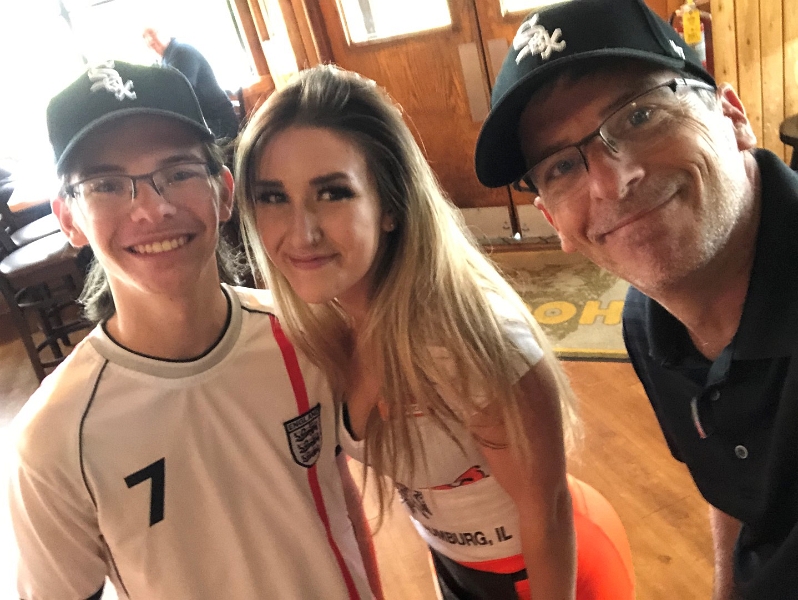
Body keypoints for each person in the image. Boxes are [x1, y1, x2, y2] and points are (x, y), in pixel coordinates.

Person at [234, 64, 635, 600]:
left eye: (332, 192)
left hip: (556, 572)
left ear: (391, 206)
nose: (300, 231)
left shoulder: (470, 340)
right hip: (459, 570)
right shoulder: (324, 327)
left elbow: (548, 513)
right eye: (272, 197)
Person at [7, 60, 381, 599]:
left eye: (179, 172)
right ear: (69, 218)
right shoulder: (54, 439)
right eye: (106, 185)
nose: (151, 209)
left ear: (224, 192)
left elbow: (339, 497)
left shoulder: (307, 334)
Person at [474, 0, 798, 598]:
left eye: (640, 116)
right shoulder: (649, 325)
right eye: (561, 167)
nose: (611, 181)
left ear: (732, 117)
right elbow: (731, 487)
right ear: (553, 221)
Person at [142, 27, 239, 140]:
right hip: (204, 124)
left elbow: (177, 95)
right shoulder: (165, 60)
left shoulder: (181, 52)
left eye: (152, 33)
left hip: (219, 124)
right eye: (145, 37)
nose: (150, 40)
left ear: (165, 32)